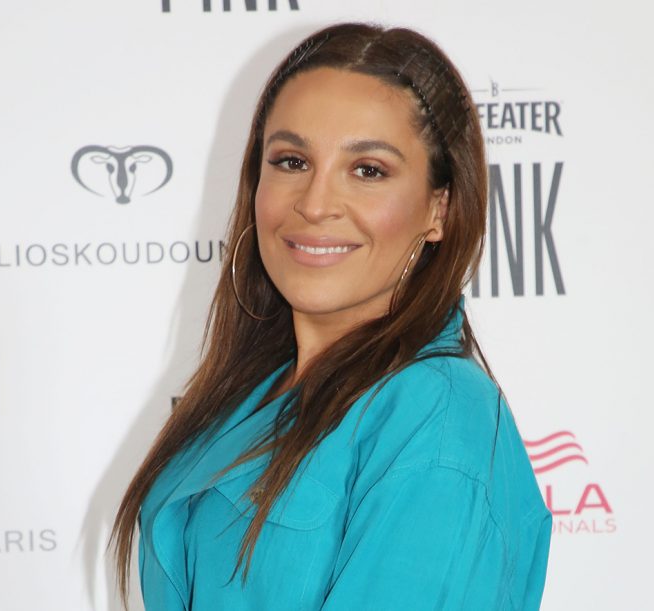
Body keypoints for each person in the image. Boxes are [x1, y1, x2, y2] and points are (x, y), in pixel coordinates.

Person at [110, 22, 552, 610]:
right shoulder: (255, 393)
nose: (315, 204)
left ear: (439, 209)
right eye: (292, 161)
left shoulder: (438, 416)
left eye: (368, 170)